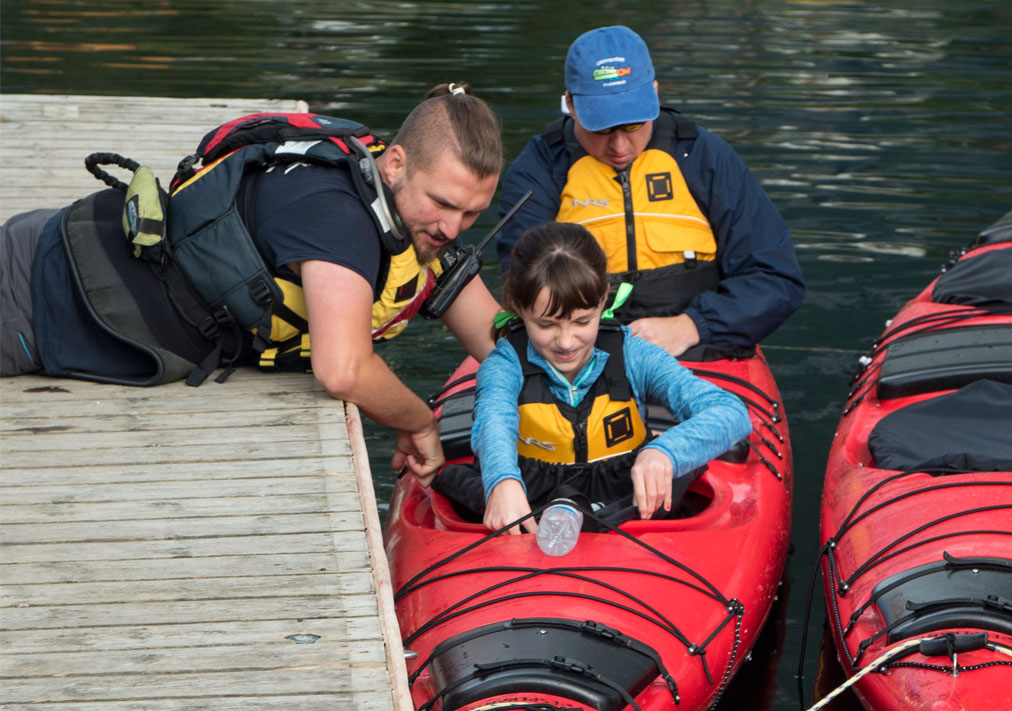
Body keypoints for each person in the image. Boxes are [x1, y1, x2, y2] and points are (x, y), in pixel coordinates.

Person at [0, 83, 505, 484]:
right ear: (395, 163)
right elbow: (343, 369)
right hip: (41, 295)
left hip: (68, 259)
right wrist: (419, 422)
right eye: (442, 203)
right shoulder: (338, 219)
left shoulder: (405, 210)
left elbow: (500, 341)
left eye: (473, 213)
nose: (453, 228)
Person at [495, 25, 804, 360]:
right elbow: (524, 282)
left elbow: (776, 277)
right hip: (577, 353)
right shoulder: (538, 169)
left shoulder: (705, 158)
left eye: (633, 124)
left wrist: (691, 326)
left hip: (698, 350)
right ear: (570, 104)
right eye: (600, 126)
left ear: (654, 94)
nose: (619, 146)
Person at [431, 221, 751, 534]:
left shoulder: (635, 355)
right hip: (530, 502)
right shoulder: (504, 364)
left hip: (625, 502)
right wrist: (502, 480)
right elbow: (493, 423)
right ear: (519, 309)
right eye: (546, 325)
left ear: (602, 302)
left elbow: (730, 412)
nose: (567, 341)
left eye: (582, 321)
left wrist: (664, 451)